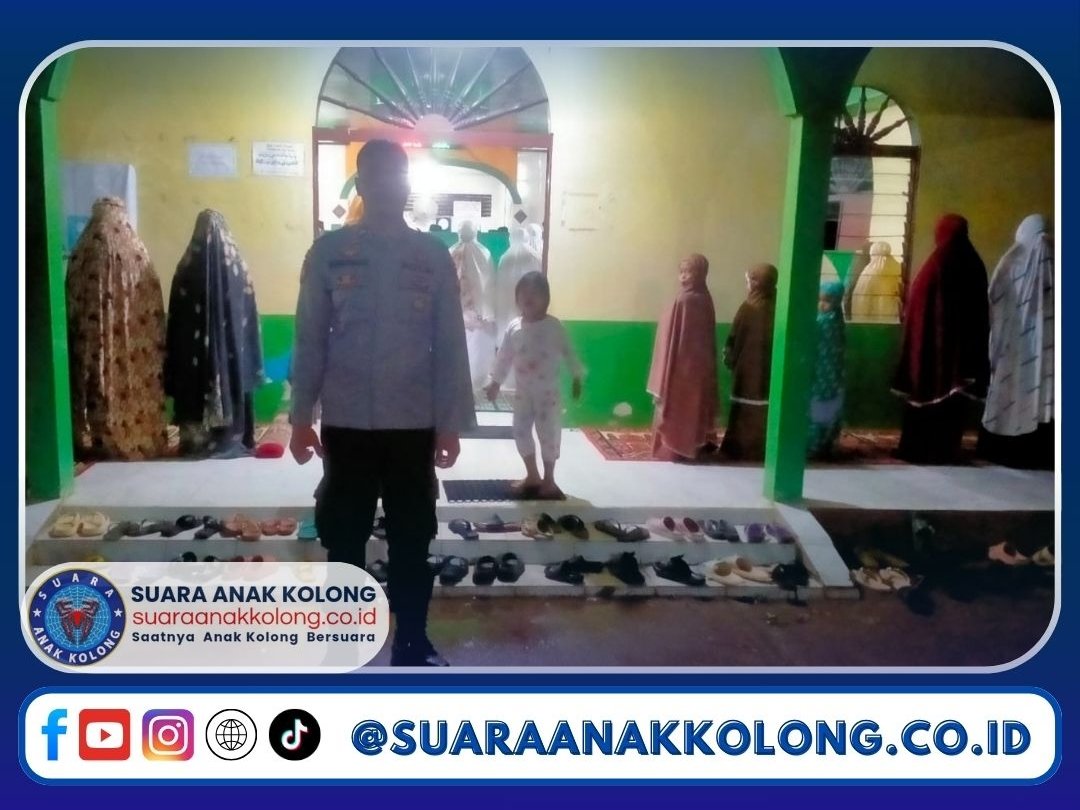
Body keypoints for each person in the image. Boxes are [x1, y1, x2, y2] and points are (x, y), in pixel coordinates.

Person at [289, 140, 475, 667]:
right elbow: (309, 339)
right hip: (347, 423)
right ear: (362, 184)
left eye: (397, 176)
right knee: (343, 537)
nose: (389, 185)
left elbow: (450, 343)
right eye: (378, 176)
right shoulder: (328, 253)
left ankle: (411, 642)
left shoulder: (432, 256)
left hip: (412, 424)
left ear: (406, 184)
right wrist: (301, 418)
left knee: (412, 539)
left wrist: (450, 423)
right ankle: (342, 644)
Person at [66, 197, 168, 460]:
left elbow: (73, 296)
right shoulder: (137, 250)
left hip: (97, 338)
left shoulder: (85, 250)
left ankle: (104, 440)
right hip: (136, 342)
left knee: (101, 385)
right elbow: (153, 300)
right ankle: (142, 438)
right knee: (135, 385)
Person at [165, 209, 264, 458]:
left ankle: (196, 440)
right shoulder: (238, 267)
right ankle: (232, 436)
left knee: (192, 379)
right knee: (233, 373)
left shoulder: (186, 267)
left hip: (192, 353)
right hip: (233, 351)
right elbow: (249, 317)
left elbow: (176, 316)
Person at [892, 214, 989, 464]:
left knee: (926, 399)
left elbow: (919, 310)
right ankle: (946, 449)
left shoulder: (936, 265)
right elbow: (979, 312)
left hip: (931, 351)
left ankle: (919, 450)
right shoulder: (974, 263)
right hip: (961, 355)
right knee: (953, 404)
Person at [484, 272, 583, 499]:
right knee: (519, 430)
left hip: (548, 396)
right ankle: (532, 475)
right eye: (523, 293)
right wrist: (495, 383)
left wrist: (577, 376)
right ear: (517, 298)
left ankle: (549, 479)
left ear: (546, 298)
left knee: (549, 435)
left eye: (535, 294)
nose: (528, 298)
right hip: (523, 394)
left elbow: (569, 352)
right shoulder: (514, 327)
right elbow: (504, 357)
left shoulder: (554, 327)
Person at [979, 214, 1054, 469]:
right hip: (1051, 350)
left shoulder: (1011, 262)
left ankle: (1007, 449)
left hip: (1015, 346)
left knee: (1013, 393)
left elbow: (994, 302)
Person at [646, 253, 718, 462]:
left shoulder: (689, 300)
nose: (684, 276)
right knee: (690, 407)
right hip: (690, 365)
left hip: (683, 367)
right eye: (682, 271)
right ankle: (689, 447)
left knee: (681, 406)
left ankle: (676, 449)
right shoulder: (701, 298)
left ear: (701, 273)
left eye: (689, 272)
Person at [720, 263, 778, 461]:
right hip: (770, 370)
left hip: (746, 370)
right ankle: (762, 449)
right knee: (765, 408)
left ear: (756, 283)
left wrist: (730, 358)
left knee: (744, 409)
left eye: (749, 281)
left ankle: (740, 448)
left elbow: (734, 337)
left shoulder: (748, 308)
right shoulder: (779, 307)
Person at [449, 220, 496, 390]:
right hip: (481, 312)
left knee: (459, 346)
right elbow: (489, 283)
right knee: (478, 348)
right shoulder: (484, 253)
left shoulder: (451, 251)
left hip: (456, 311)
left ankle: (459, 379)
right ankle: (477, 379)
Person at [807, 281, 847, 458]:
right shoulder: (837, 319)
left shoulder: (826, 321)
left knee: (819, 407)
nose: (822, 304)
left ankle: (816, 445)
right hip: (828, 374)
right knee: (826, 407)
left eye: (827, 301)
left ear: (836, 302)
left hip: (824, 373)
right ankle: (825, 443)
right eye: (819, 300)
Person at [850, 241, 903, 323]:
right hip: (892, 320)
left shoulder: (869, 272)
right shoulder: (898, 269)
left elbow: (861, 300)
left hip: (872, 321)